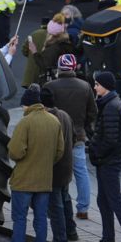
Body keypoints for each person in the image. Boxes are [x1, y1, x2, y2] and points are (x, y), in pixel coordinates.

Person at [0, 84, 64, 242]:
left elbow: (15, 152)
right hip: (44, 180)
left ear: (27, 105)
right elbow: (59, 151)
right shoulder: (54, 121)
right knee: (41, 219)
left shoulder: (25, 123)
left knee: (20, 220)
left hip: (24, 181)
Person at [87, 71, 121, 242]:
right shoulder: (109, 103)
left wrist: (97, 154)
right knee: (103, 201)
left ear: (105, 86)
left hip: (109, 162)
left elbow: (110, 139)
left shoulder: (111, 107)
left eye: (97, 84)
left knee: (115, 201)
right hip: (106, 161)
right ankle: (108, 238)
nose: (95, 87)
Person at [43, 53, 97, 221]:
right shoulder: (85, 86)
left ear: (59, 68)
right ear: (74, 67)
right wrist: (85, 127)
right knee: (81, 171)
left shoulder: (50, 86)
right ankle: (82, 209)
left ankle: (50, 206)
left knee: (53, 171)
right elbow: (93, 112)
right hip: (78, 135)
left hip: (55, 135)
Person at [41, 87, 77, 242]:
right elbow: (75, 138)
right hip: (67, 167)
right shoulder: (65, 115)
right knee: (66, 199)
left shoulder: (49, 119)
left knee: (55, 208)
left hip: (55, 169)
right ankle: (71, 231)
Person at [29, 14, 74, 84]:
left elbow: (45, 65)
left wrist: (34, 52)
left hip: (52, 82)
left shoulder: (54, 47)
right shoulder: (67, 43)